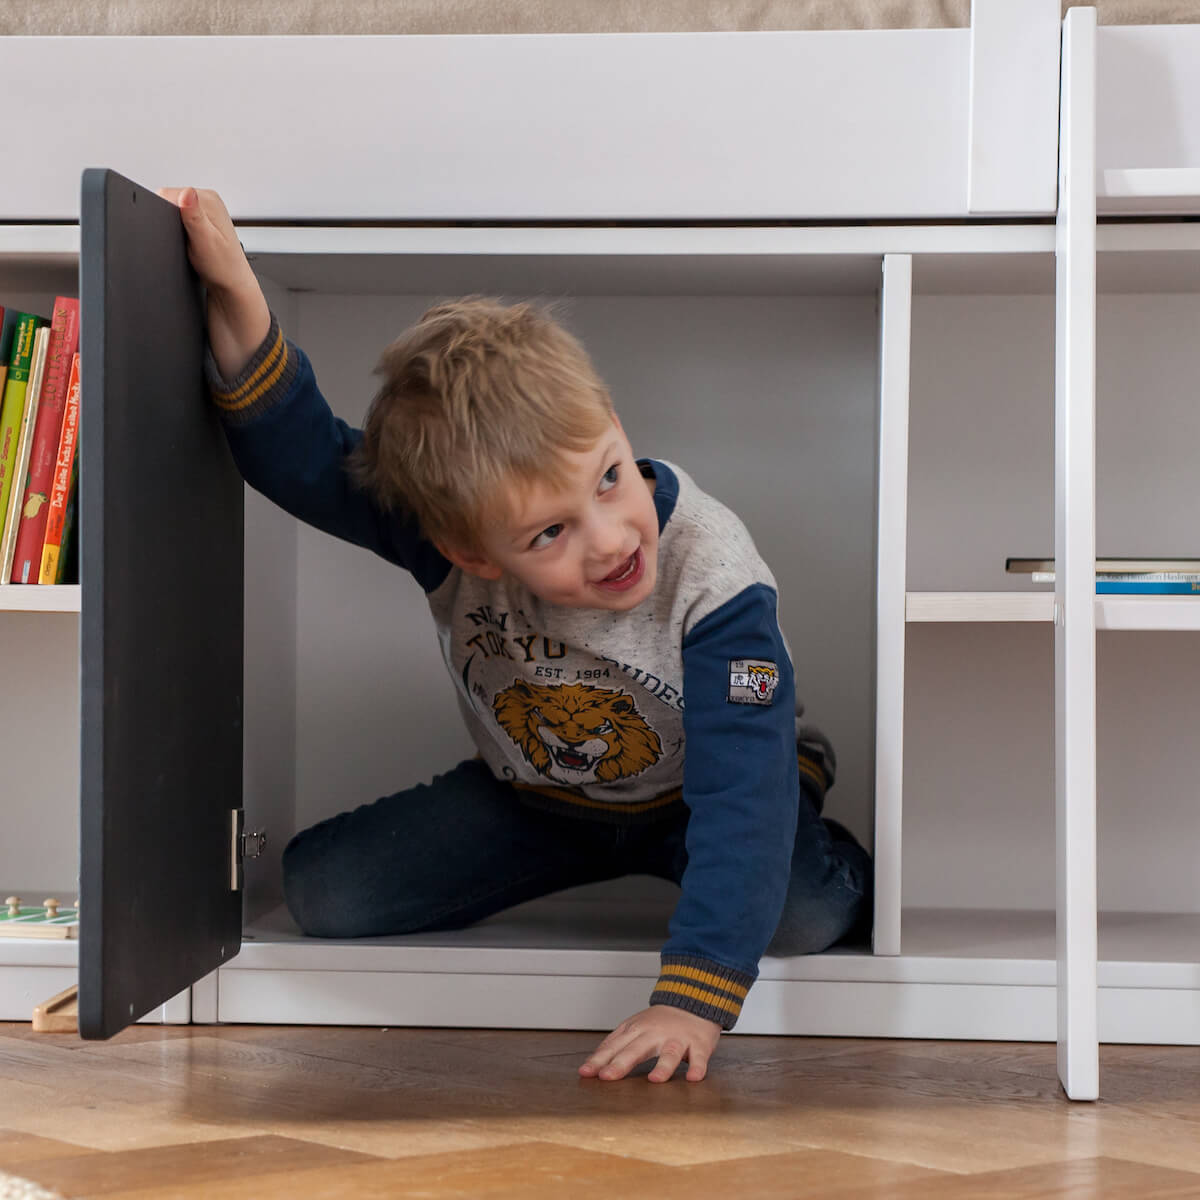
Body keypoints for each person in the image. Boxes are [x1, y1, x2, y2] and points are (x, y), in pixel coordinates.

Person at [160, 185, 873, 1084]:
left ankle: (825, 841)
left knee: (799, 914)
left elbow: (740, 796)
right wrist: (236, 292)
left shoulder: (716, 580)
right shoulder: (447, 540)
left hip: (706, 797)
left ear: (614, 424)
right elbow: (306, 462)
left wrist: (692, 997)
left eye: (608, 478)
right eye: (550, 533)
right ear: (469, 551)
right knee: (324, 892)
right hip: (537, 797)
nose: (609, 540)